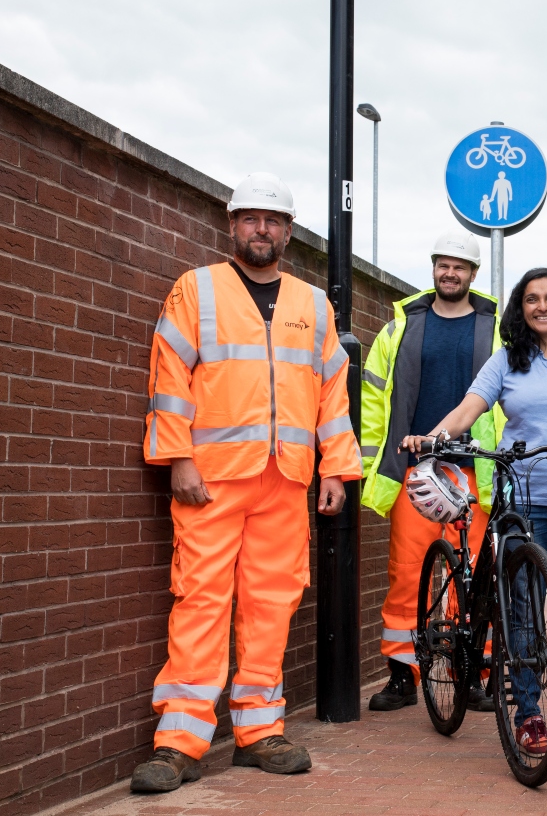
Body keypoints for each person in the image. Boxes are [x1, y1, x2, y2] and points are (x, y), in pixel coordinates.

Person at [132, 173, 360, 792]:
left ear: (289, 232)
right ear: (232, 225)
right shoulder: (196, 290)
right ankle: (179, 743)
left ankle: (259, 732)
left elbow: (332, 394)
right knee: (201, 600)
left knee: (271, 603)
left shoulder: (313, 304)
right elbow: (170, 374)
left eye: (274, 220)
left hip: (285, 480)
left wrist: (337, 466)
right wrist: (177, 457)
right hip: (210, 480)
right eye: (251, 218)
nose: (263, 229)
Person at [402, 268, 547, 759]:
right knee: (520, 611)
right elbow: (467, 409)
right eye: (532, 299)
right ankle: (529, 717)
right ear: (521, 307)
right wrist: (432, 437)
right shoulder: (506, 361)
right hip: (522, 500)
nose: (543, 306)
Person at [359, 231, 500, 713]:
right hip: (416, 469)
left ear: (473, 274)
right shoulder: (401, 327)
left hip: (475, 471)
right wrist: (372, 463)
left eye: (459, 266)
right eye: (443, 263)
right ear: (433, 266)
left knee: (476, 576)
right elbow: (375, 401)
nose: (450, 272)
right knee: (407, 573)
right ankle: (403, 674)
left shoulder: (497, 327)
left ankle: (473, 675)